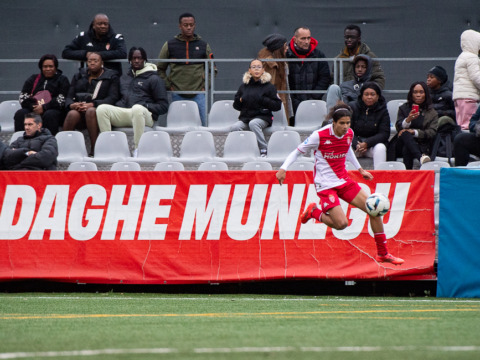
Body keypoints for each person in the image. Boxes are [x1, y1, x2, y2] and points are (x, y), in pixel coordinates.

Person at [275, 102, 403, 265]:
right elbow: (297, 151)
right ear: (334, 123)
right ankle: (314, 212)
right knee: (341, 224)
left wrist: (360, 169)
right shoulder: (319, 135)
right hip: (325, 184)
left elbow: (347, 149)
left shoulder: (349, 133)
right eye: (341, 123)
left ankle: (383, 253)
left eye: (347, 123)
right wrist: (283, 168)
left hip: (343, 180)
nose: (345, 126)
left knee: (374, 210)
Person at [96, 47, 169, 156]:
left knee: (137, 108)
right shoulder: (124, 78)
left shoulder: (154, 78)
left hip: (145, 116)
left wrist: (146, 105)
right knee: (102, 109)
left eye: (139, 58)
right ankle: (110, 148)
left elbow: (163, 106)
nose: (136, 61)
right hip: (126, 113)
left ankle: (138, 149)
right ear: (129, 60)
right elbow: (116, 97)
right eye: (134, 58)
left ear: (144, 60)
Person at [157, 12, 216, 127]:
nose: (189, 27)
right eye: (185, 25)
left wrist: (205, 86)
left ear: (195, 25)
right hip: (176, 93)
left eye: (191, 24)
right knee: (177, 126)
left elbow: (212, 68)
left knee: (204, 126)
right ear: (180, 26)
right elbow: (159, 69)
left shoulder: (203, 45)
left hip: (199, 92)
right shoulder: (169, 44)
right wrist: (169, 86)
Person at [63, 52, 120, 155]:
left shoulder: (111, 76)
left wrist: (92, 104)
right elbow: (69, 97)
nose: (92, 63)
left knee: (90, 111)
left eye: (95, 61)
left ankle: (94, 148)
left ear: (102, 63)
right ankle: (64, 148)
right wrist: (72, 105)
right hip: (80, 112)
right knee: (72, 113)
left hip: (98, 114)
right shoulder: (78, 76)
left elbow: (113, 98)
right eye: (90, 61)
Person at [231, 59, 282, 157]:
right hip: (246, 118)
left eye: (259, 67)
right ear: (249, 70)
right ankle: (241, 150)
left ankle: (263, 149)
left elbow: (277, 105)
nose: (256, 69)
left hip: (263, 117)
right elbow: (236, 106)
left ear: (263, 70)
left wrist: (263, 100)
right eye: (253, 67)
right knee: (235, 127)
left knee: (254, 123)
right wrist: (239, 100)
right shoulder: (243, 86)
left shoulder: (269, 87)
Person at [14, 54, 70, 136]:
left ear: (55, 67)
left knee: (50, 115)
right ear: (41, 67)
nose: (48, 69)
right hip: (34, 108)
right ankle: (20, 141)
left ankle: (49, 142)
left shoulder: (62, 79)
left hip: (54, 110)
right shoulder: (33, 78)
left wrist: (44, 107)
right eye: (45, 66)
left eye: (51, 66)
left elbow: (61, 99)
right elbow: (23, 96)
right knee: (21, 113)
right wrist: (33, 106)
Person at [286, 27, 331, 122]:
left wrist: (314, 97)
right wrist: (292, 99)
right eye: (303, 38)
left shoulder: (319, 55)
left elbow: (325, 77)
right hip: (292, 104)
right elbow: (284, 81)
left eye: (308, 38)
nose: (307, 41)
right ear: (295, 39)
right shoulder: (286, 55)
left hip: (314, 102)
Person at [391, 81, 438, 169]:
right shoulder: (403, 108)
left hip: (421, 144)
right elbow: (398, 127)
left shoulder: (431, 112)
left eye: (421, 92)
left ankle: (408, 176)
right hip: (400, 144)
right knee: (405, 133)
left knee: (407, 148)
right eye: (415, 92)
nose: (418, 95)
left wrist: (414, 132)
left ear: (426, 94)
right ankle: (420, 157)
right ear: (411, 94)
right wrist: (408, 120)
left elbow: (432, 132)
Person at [62, 13, 127, 75]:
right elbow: (66, 52)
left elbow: (122, 53)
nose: (103, 26)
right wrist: (86, 54)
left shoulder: (116, 38)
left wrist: (98, 55)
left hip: (111, 78)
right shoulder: (83, 37)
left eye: (105, 24)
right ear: (93, 25)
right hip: (88, 77)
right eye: (99, 24)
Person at [349, 82, 390, 169]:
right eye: (366, 94)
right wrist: (357, 144)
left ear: (378, 96)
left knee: (381, 148)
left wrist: (367, 143)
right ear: (362, 96)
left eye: (372, 94)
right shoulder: (353, 107)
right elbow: (347, 130)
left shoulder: (383, 110)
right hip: (356, 146)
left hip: (372, 145)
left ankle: (378, 177)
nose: (369, 97)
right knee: (343, 146)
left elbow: (384, 134)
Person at [334, 24, 385, 89]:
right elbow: (333, 80)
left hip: (364, 96)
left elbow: (379, 79)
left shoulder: (370, 56)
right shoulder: (338, 59)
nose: (349, 40)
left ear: (359, 39)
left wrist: (369, 93)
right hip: (344, 96)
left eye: (352, 37)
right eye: (347, 37)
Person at [258, 33, 292, 121]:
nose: (287, 48)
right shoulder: (271, 64)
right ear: (278, 48)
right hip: (274, 105)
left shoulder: (280, 62)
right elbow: (268, 87)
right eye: (285, 46)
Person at [452, 29, 480, 130]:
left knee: (461, 126)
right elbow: (476, 77)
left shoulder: (461, 57)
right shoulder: (472, 58)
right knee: (469, 126)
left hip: (459, 98)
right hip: (469, 98)